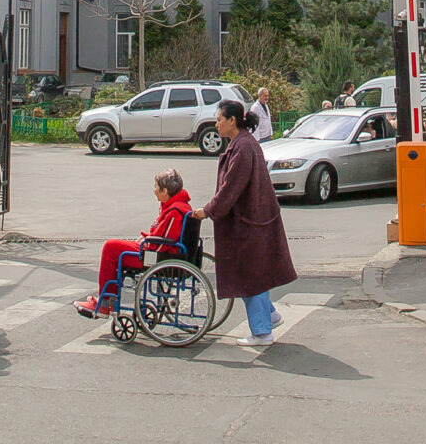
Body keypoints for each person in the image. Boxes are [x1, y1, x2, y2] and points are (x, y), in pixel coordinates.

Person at [192, 102, 297, 347]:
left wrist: (207, 211)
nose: (216, 124)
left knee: (251, 275)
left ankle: (262, 332)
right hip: (251, 220)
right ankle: (270, 315)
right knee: (252, 273)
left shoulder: (244, 148)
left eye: (219, 119)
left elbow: (231, 188)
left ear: (232, 120)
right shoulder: (243, 144)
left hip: (249, 223)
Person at [74, 168, 193, 318]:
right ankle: (107, 300)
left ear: (164, 191)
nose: (153, 190)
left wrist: (147, 243)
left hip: (155, 255)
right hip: (154, 249)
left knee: (110, 248)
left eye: (156, 187)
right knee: (114, 247)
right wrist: (147, 238)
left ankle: (105, 303)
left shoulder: (175, 211)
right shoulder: (178, 206)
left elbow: (163, 244)